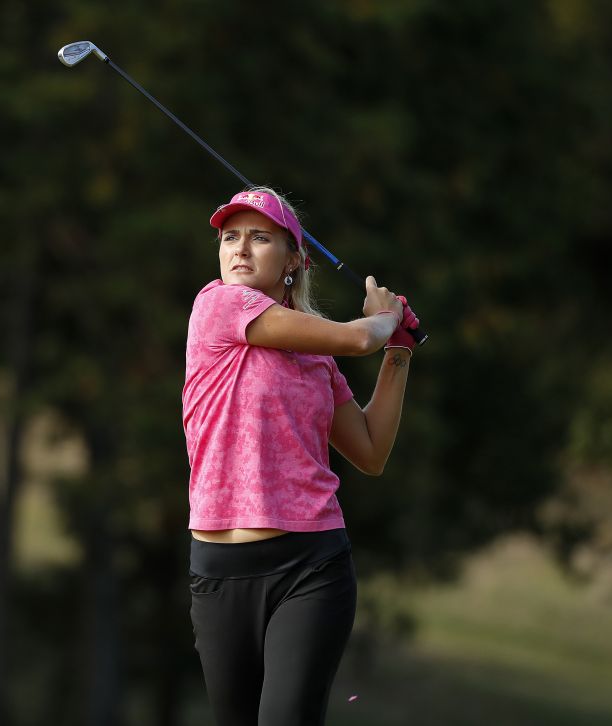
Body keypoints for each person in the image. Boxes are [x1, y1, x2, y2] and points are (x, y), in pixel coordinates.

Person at [182, 187, 420, 726]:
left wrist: (399, 349)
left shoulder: (316, 359)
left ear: (293, 260)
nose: (240, 249)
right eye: (230, 237)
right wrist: (384, 320)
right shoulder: (217, 304)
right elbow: (359, 339)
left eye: (259, 238)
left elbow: (370, 451)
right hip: (219, 570)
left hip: (311, 565)